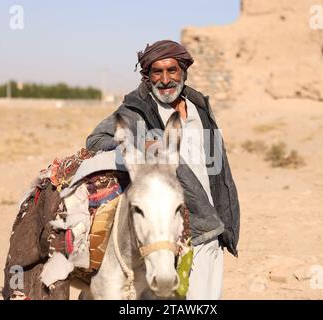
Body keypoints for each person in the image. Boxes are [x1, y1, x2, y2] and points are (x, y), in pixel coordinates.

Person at [86, 40, 240, 299]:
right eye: (157, 72)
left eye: (172, 70)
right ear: (148, 76)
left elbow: (216, 168)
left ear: (183, 71)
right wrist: (138, 143)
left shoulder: (199, 107)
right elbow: (95, 141)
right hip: (170, 229)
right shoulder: (136, 111)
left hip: (212, 224)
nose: (166, 79)